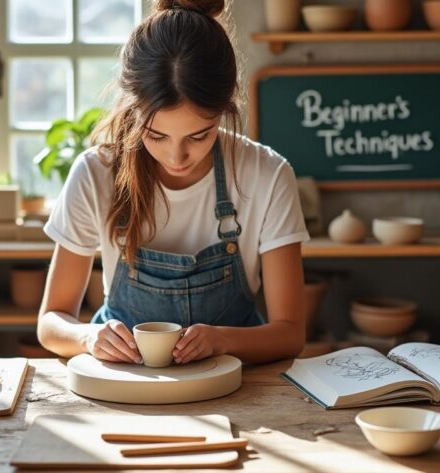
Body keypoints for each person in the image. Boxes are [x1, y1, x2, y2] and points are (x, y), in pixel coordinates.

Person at [37, 0, 310, 365]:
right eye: (156, 135)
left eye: (199, 136)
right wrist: (87, 337)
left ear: (226, 109)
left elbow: (290, 333)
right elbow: (51, 321)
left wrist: (221, 341)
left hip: (235, 385)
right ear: (133, 112)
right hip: (126, 382)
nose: (176, 157)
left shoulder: (267, 175)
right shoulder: (95, 174)